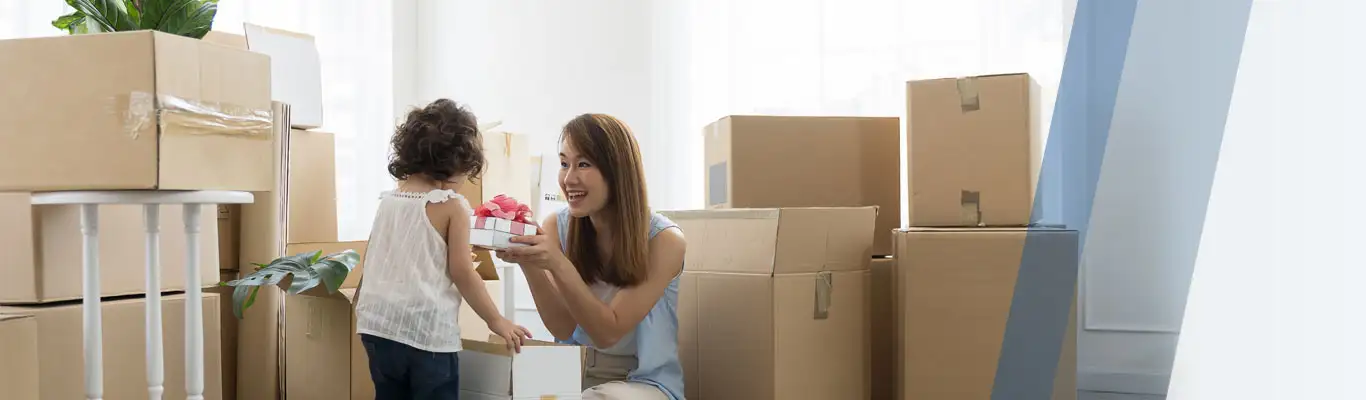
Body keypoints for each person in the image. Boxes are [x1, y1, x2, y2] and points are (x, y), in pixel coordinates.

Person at [497, 114, 686, 400]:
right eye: (564, 164)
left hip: (643, 383)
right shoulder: (557, 226)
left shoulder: (664, 240)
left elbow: (608, 332)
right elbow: (562, 326)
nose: (568, 178)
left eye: (583, 164)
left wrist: (557, 264)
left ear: (617, 171)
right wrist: (529, 262)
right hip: (573, 372)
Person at [353, 98, 532, 400]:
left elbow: (376, 259)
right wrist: (497, 321)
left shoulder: (389, 201)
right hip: (426, 335)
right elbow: (462, 272)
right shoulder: (452, 206)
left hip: (377, 328)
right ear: (457, 164)